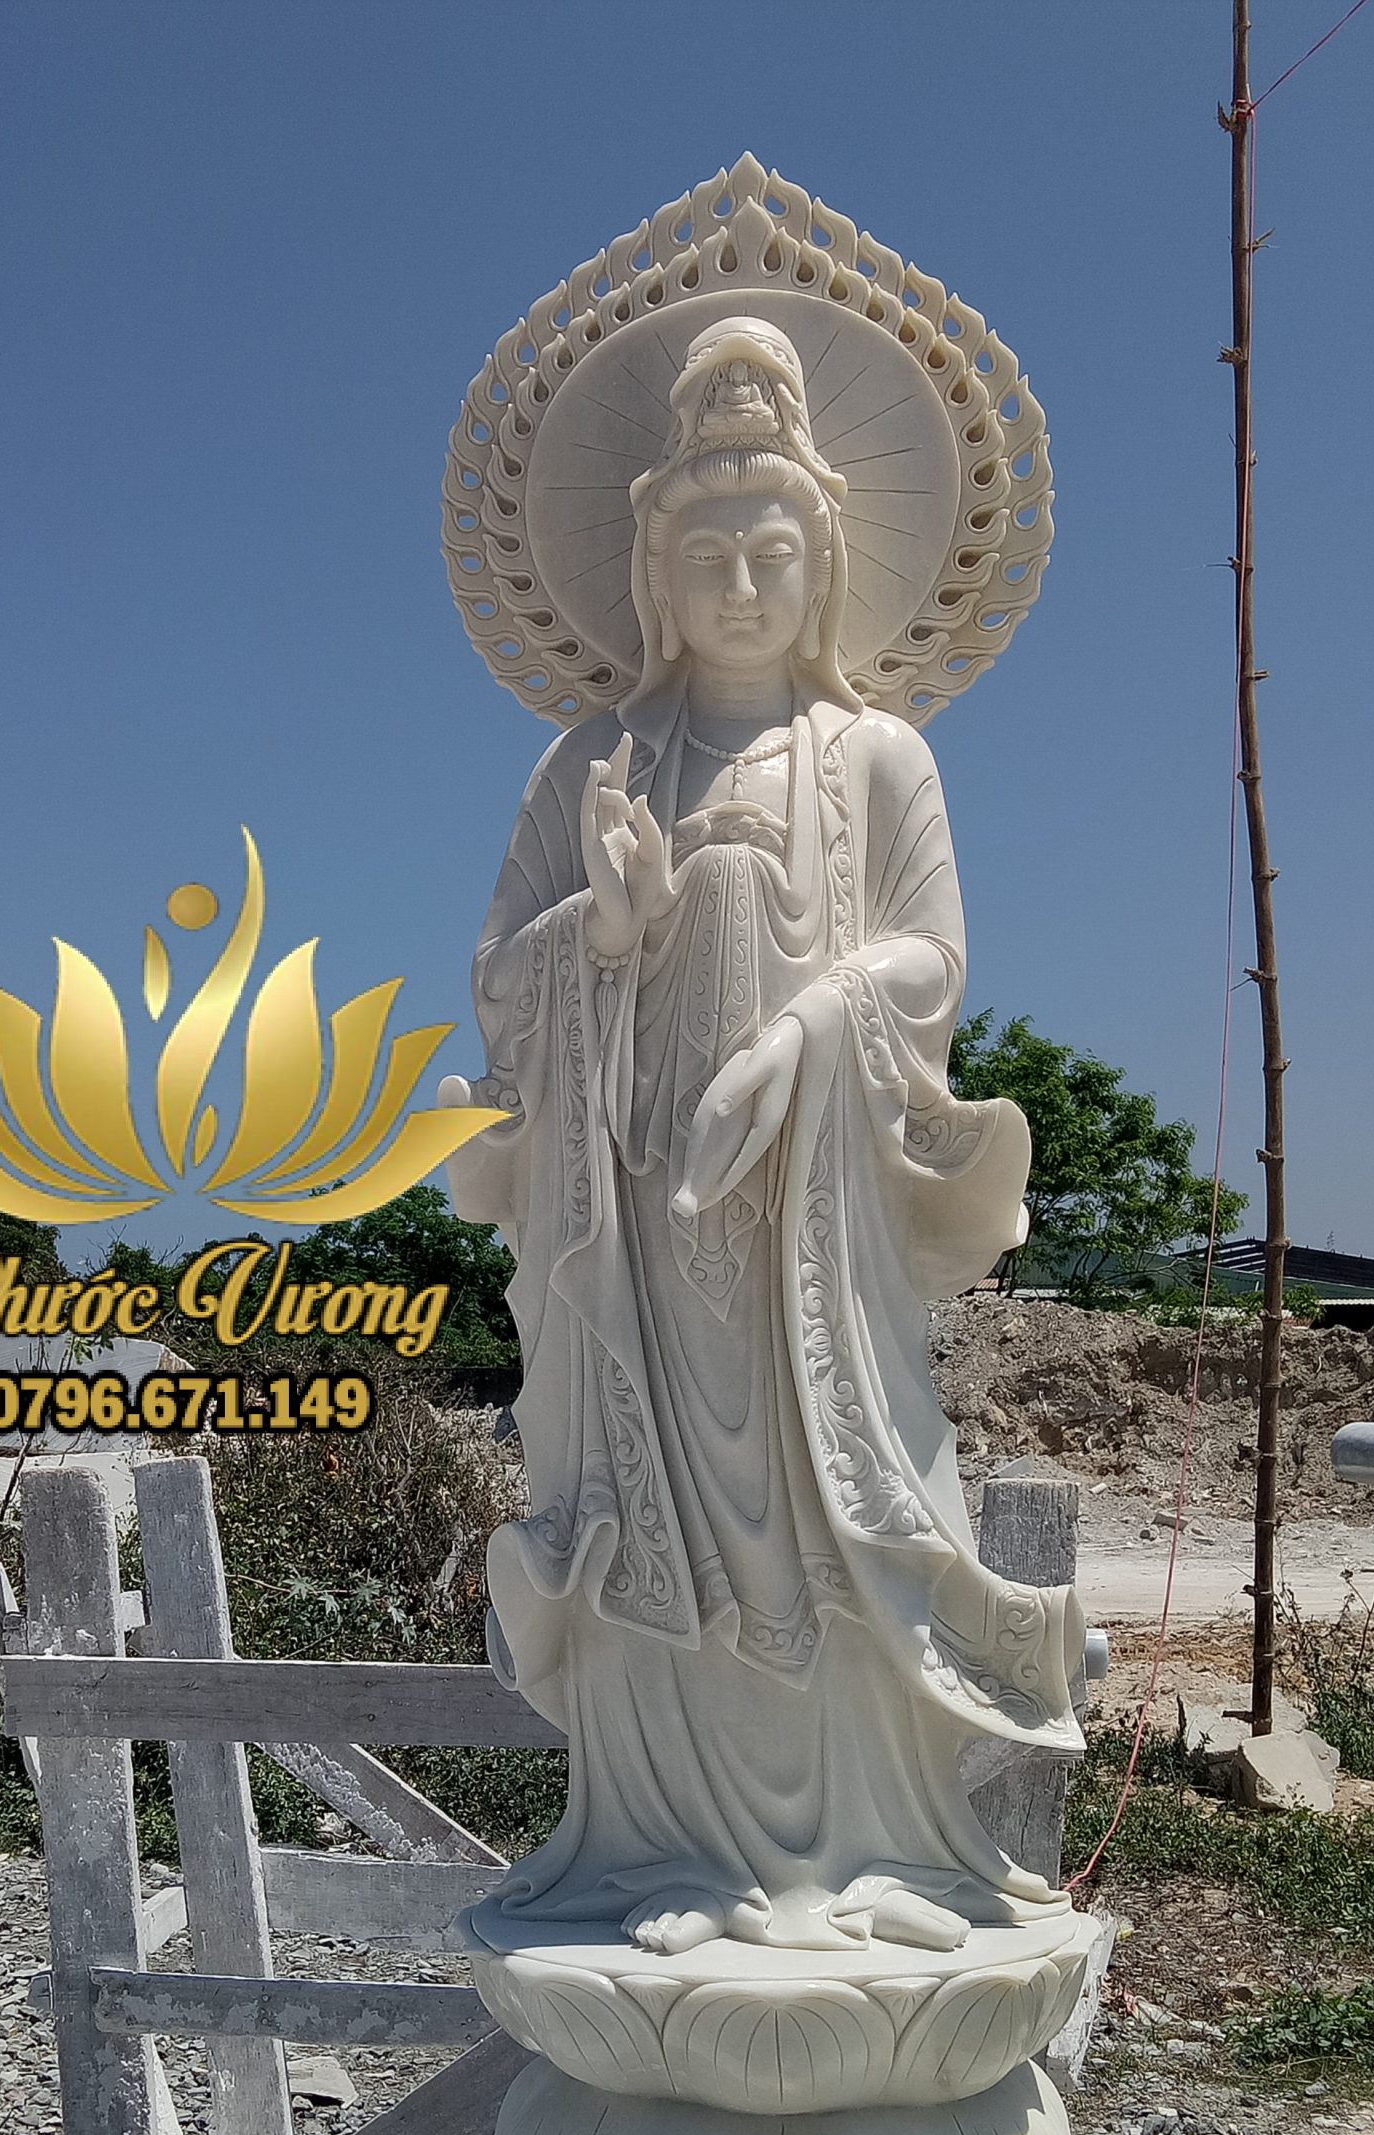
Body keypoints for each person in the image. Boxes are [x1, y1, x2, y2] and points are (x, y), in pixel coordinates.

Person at [445, 318, 1084, 1955]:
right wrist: (608, 929)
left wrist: (806, 1030)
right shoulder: (590, 762)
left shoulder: (878, 757)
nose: (740, 587)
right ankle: (671, 1853)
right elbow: (501, 977)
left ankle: (878, 1853)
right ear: (653, 571)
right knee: (651, 1502)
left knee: (839, 1511)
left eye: (773, 554)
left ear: (827, 566)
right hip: (641, 1214)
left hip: (818, 1213)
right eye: (708, 555)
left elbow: (930, 956)